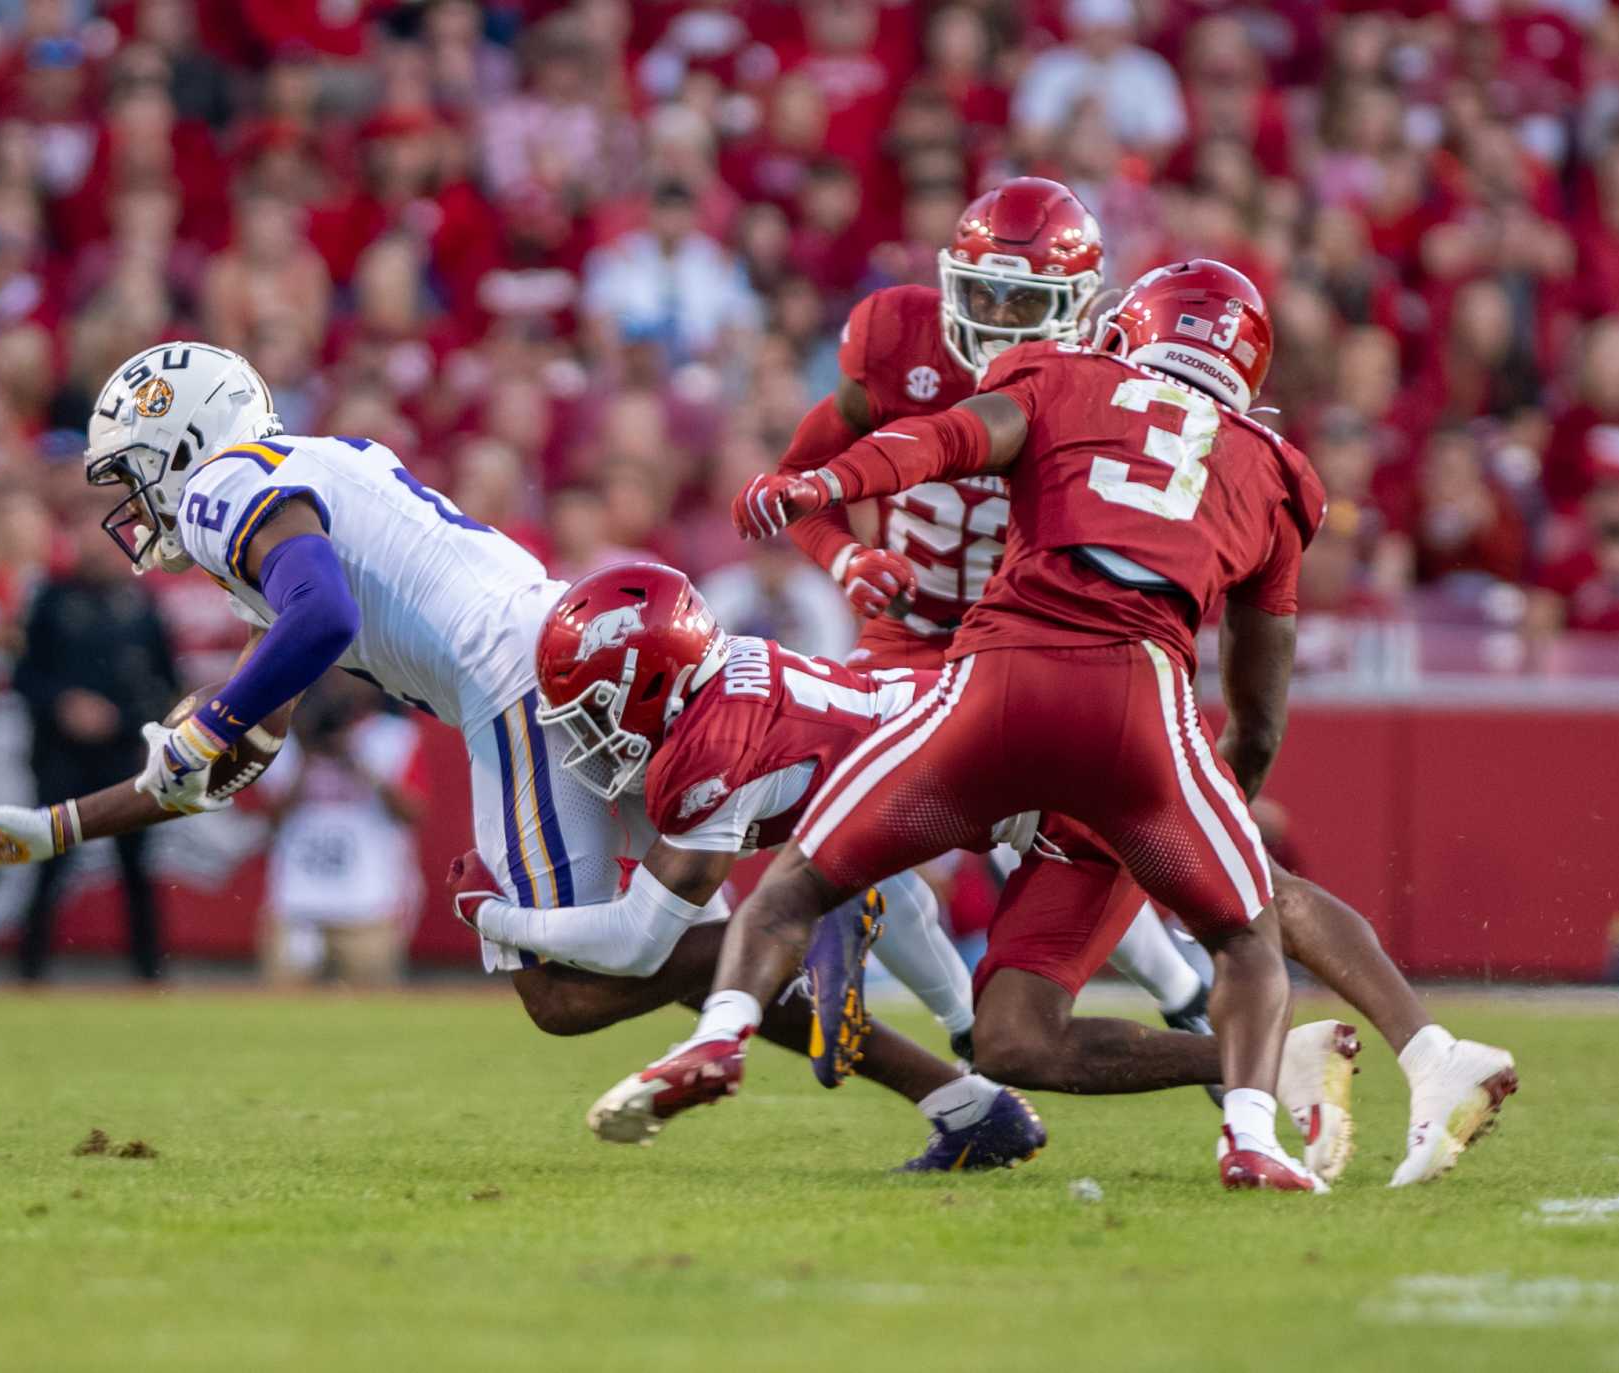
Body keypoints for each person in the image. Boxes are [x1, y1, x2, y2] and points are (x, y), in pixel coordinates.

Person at [0, 341, 1001, 1168]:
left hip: (525, 687)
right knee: (642, 956)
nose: (138, 504)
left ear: (180, 444)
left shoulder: (226, 492)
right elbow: (212, 760)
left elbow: (319, 626)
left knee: (564, 990)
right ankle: (963, 1101)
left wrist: (211, 720)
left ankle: (797, 945)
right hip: (565, 651)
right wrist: (53, 827)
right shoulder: (313, 482)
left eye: (135, 474)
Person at [602, 261, 1517, 1192]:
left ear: (1131, 326)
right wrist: (1184, 825)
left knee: (797, 881)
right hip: (1139, 710)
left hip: (994, 684)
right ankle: (1258, 1132)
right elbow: (1262, 712)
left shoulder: (1065, 376)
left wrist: (825, 488)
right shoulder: (1277, 471)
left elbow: (943, 440)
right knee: (1222, 938)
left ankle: (719, 1036)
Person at [457, 561, 1360, 1172]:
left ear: (653, 682)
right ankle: (1003, 1085)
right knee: (1038, 978)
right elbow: (878, 864)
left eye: (593, 707)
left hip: (1045, 776)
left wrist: (490, 914)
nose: (580, 735)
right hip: (1016, 766)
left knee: (1138, 968)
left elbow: (634, 940)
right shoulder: (732, 683)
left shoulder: (707, 757)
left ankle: (1297, 1060)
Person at [768, 175, 1214, 1040]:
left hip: (1026, 644)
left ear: (1081, 306)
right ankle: (965, 1037)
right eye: (987, 292)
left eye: (1028, 299)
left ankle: (1186, 1000)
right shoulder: (897, 343)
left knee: (1059, 839)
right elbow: (803, 486)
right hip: (908, 634)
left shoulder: (1111, 383)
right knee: (835, 815)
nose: (1004, 318)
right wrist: (847, 553)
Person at [10, 487, 181, 982]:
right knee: (50, 861)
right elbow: (23, 675)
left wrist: (122, 719)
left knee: (137, 867)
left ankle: (149, 973)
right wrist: (64, 705)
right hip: (60, 755)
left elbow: (167, 683)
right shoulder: (49, 600)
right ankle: (30, 972)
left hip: (126, 754)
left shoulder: (141, 607)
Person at [258, 677, 431, 988]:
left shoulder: (393, 736)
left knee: (376, 1013)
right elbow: (271, 820)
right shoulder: (286, 742)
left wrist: (355, 757)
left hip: (368, 903)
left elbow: (411, 812)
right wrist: (307, 756)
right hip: (297, 903)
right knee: (282, 1012)